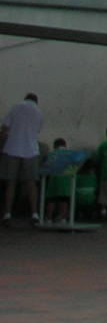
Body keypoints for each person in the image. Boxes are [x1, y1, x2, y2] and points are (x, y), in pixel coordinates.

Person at [0, 92, 44, 226]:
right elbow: (37, 131)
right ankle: (35, 213)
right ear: (36, 101)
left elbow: (5, 128)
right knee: (31, 183)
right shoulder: (39, 113)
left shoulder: (16, 107)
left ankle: (7, 213)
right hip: (31, 150)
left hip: (12, 148)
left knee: (11, 183)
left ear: (25, 99)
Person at [43, 139, 71, 225]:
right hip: (65, 179)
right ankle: (62, 218)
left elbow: (47, 165)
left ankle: (48, 218)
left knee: (51, 199)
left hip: (53, 178)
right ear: (65, 145)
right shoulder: (69, 154)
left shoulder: (52, 154)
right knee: (64, 199)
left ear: (54, 146)